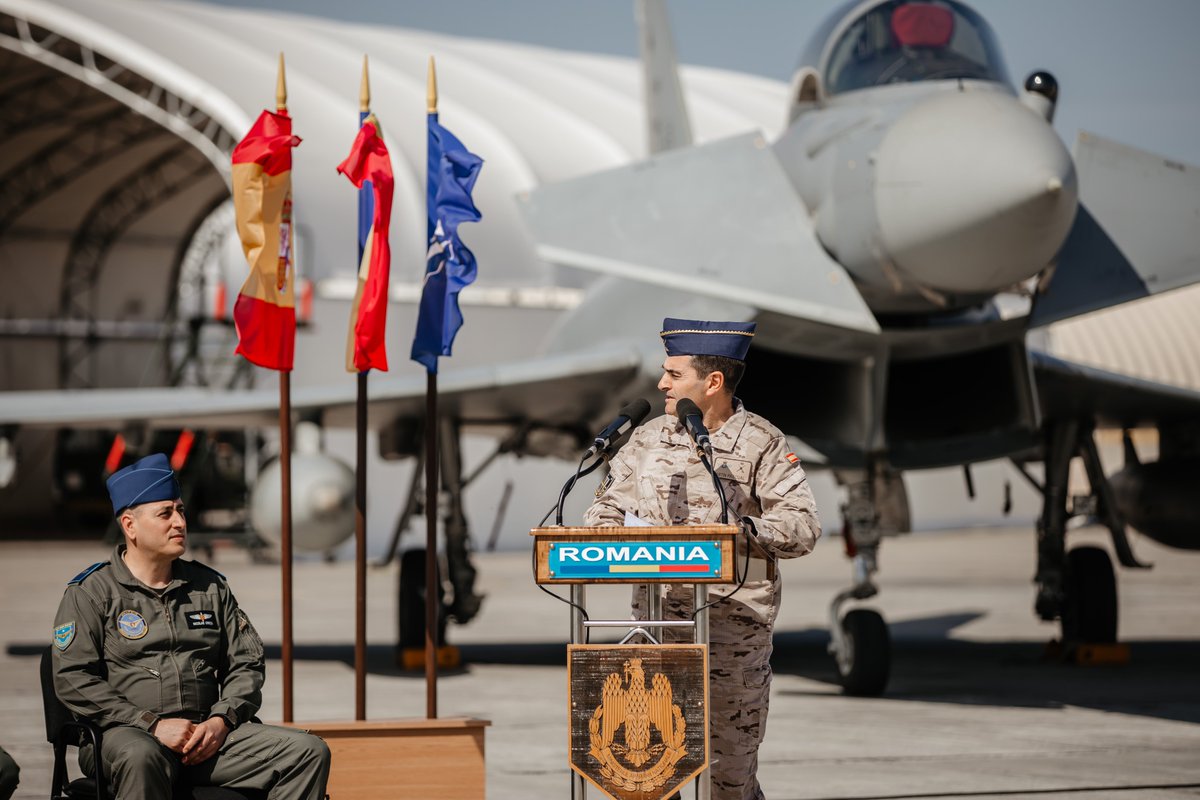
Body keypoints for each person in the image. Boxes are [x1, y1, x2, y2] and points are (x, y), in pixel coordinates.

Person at [584, 318, 821, 800]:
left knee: (726, 780)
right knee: (647, 776)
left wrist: (743, 535)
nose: (660, 383)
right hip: (654, 632)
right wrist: (610, 534)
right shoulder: (648, 439)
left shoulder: (761, 441)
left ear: (713, 382)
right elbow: (602, 510)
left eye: (673, 374)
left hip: (733, 634)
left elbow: (803, 525)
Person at [51, 453, 330, 799]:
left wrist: (221, 721)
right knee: (142, 757)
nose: (179, 523)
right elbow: (73, 678)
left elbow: (246, 663)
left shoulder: (209, 587)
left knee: (306, 752)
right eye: (165, 513)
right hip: (126, 735)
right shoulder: (92, 593)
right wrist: (151, 724)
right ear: (130, 525)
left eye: (180, 510)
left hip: (206, 736)